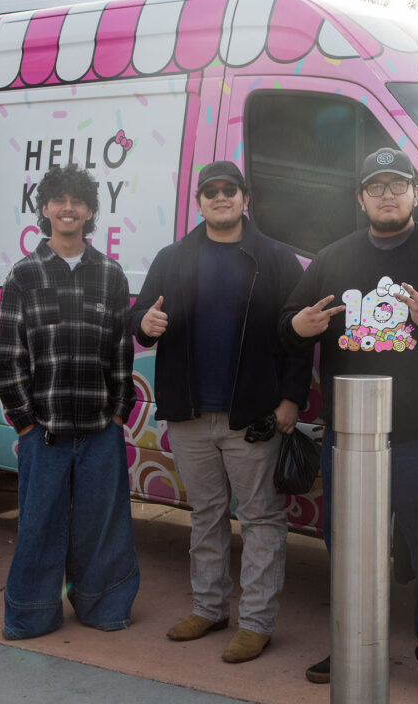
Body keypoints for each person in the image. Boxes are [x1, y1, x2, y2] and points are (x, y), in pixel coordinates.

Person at [279, 148, 418, 704]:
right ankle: (352, 646)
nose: (387, 195)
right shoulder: (332, 259)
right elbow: (288, 323)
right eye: (376, 187)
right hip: (350, 440)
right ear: (361, 198)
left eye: (397, 185)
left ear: (414, 194)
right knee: (349, 552)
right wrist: (297, 327)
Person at [131, 161, 311, 663]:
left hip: (252, 415)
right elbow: (139, 317)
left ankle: (256, 623)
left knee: (260, 519)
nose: (220, 197)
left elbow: (300, 337)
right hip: (188, 413)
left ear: (245, 198)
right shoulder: (172, 258)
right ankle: (209, 608)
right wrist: (143, 323)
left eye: (229, 189)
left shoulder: (276, 259)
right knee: (206, 514)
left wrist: (291, 399)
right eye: (210, 191)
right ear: (199, 203)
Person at [0, 164, 138, 639]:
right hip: (44, 432)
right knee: (40, 527)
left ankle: (105, 606)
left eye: (78, 201)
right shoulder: (23, 275)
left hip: (101, 430)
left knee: (104, 527)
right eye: (59, 200)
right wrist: (24, 422)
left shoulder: (110, 275)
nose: (68, 209)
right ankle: (31, 615)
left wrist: (119, 414)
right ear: (45, 209)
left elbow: (120, 351)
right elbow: (10, 357)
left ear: (91, 211)